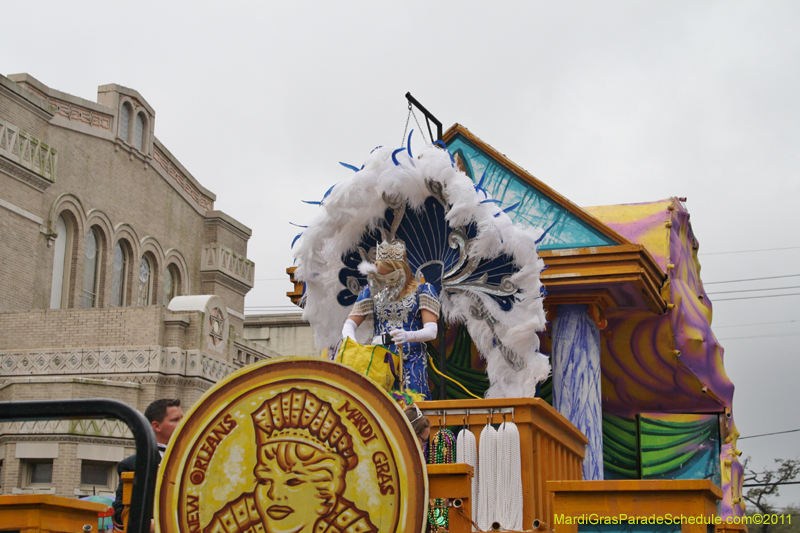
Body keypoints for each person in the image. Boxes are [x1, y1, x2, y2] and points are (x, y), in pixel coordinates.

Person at [205, 388, 376, 533]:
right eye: (265, 481)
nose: (274, 494)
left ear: (327, 490)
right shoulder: (232, 523)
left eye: (293, 481)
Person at [342, 239, 440, 399]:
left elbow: (432, 331)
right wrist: (352, 344)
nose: (383, 281)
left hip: (411, 360)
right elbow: (350, 323)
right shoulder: (370, 291)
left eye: (387, 276)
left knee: (413, 408)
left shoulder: (422, 290)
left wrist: (409, 336)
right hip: (380, 361)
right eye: (380, 276)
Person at [112, 398, 183, 532]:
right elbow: (121, 513)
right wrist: (151, 525)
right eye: (175, 420)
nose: (182, 423)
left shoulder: (192, 459)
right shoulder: (133, 464)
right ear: (156, 426)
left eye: (182, 418)